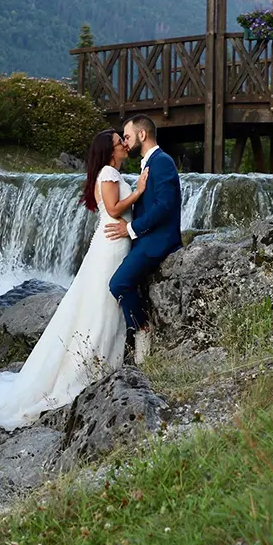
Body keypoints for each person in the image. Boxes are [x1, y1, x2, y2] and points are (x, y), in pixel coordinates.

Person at [0, 130, 145, 433]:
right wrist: (140, 190)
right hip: (110, 245)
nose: (125, 145)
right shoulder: (107, 172)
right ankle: (93, 365)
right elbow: (115, 210)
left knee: (102, 303)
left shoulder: (111, 172)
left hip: (114, 242)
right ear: (109, 150)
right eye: (120, 142)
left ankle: (102, 360)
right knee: (101, 304)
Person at [103, 114, 182, 363]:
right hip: (146, 240)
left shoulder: (162, 162)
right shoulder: (150, 163)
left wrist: (131, 229)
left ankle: (143, 332)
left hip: (158, 241)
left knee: (119, 284)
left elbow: (164, 206)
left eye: (127, 137)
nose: (125, 143)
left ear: (142, 135)